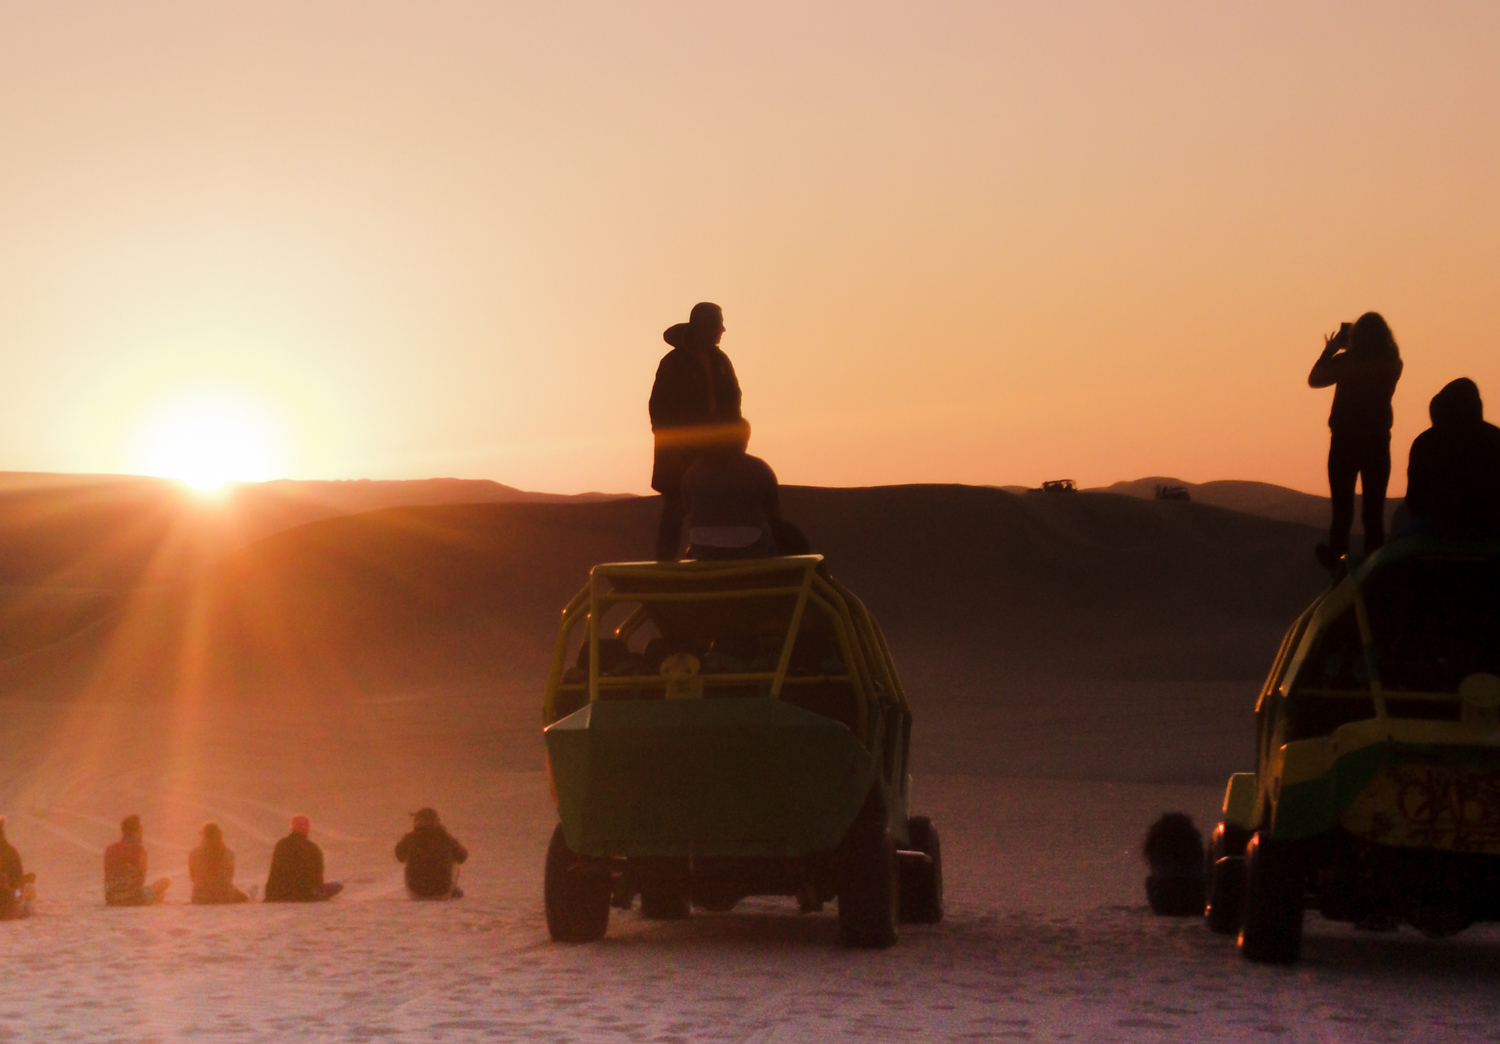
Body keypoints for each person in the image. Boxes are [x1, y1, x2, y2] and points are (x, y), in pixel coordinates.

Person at [1308, 312, 1404, 569]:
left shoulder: (1346, 361)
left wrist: (1330, 350)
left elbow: (1314, 379)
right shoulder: (1393, 363)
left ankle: (1337, 560)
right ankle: (1375, 567)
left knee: (1342, 511)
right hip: (1377, 442)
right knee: (1373, 511)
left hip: (1345, 441)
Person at [649, 302, 743, 560]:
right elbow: (659, 411)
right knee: (676, 509)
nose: (723, 330)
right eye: (717, 324)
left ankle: (708, 561)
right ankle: (664, 570)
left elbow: (733, 400)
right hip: (680, 455)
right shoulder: (673, 363)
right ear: (705, 327)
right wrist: (678, 446)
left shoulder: (720, 360)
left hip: (717, 453)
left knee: (715, 510)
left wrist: (734, 438)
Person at [1404, 378, 1500, 538]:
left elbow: (1414, 499)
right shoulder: (1495, 438)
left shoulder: (1425, 442)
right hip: (1491, 525)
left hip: (1438, 525)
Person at [679, 419, 783, 560]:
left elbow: (687, 509)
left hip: (703, 548)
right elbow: (774, 513)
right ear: (743, 439)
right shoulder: (759, 468)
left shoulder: (693, 471)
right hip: (750, 547)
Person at [264, 815, 343, 902]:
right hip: (305, 895)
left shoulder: (281, 845)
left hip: (277, 894)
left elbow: (274, 872)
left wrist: (270, 893)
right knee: (338, 884)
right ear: (307, 829)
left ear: (291, 827)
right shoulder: (313, 848)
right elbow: (317, 878)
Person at [395, 808, 469, 899]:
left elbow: (399, 856)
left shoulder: (411, 838)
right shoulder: (446, 838)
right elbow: (462, 857)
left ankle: (419, 884)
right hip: (443, 892)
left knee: (409, 858)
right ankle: (452, 888)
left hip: (416, 893)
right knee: (455, 860)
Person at [104, 815, 171, 906]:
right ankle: (153, 899)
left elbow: (107, 876)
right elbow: (140, 879)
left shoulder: (110, 849)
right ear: (135, 832)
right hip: (134, 898)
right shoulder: (139, 850)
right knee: (165, 882)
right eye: (140, 831)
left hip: (112, 898)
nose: (142, 835)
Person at [189, 822, 250, 904]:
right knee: (243, 897)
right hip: (224, 896)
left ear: (203, 836)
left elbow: (193, 877)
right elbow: (229, 878)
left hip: (199, 896)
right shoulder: (229, 853)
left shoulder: (194, 853)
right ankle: (247, 895)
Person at [0, 816, 32, 920]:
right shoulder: (10, 852)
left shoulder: (10, 852)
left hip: (7, 903)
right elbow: (18, 884)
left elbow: (18, 885)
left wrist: (16, 895)